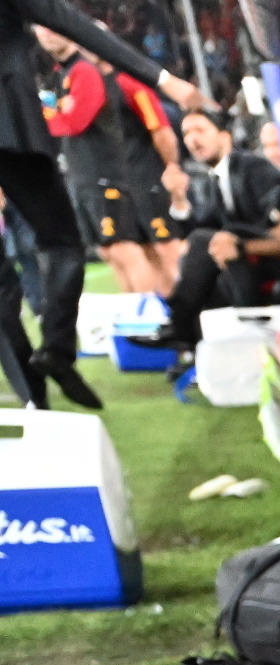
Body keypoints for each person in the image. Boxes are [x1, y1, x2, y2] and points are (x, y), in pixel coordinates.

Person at [0, 0, 203, 406]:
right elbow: (73, 22)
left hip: (109, 173)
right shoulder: (68, 70)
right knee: (64, 244)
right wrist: (163, 78)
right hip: (16, 129)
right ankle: (56, 350)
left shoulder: (82, 74)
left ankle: (33, 395)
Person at [34, 29, 183, 298]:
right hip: (110, 177)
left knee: (160, 248)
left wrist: (172, 167)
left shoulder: (127, 84)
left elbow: (161, 131)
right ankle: (154, 317)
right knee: (122, 250)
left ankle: (171, 314)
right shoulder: (67, 76)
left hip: (140, 176)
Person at [159, 106, 280, 351]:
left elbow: (274, 224)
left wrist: (235, 240)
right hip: (247, 258)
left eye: (200, 130)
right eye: (186, 133)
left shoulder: (253, 167)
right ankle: (196, 346)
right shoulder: (218, 179)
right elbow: (201, 228)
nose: (192, 139)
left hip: (275, 259)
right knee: (207, 257)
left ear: (225, 136)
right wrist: (179, 199)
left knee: (212, 245)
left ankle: (180, 327)